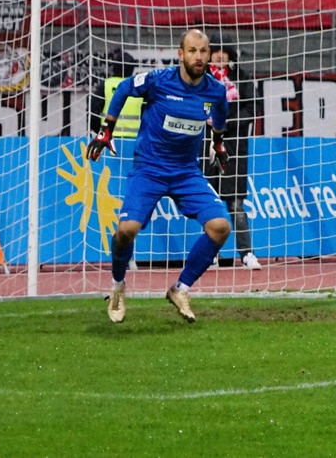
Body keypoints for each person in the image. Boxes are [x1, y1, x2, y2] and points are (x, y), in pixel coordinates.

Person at [88, 29, 232, 324]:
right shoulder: (159, 80)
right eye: (192, 51)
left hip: (186, 171)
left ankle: (181, 289)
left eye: (203, 51)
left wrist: (217, 144)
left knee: (220, 227)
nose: (198, 57)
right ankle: (117, 286)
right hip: (150, 168)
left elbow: (220, 115)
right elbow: (124, 88)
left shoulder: (215, 90)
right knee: (126, 231)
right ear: (181, 54)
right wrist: (106, 131)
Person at [206, 38, 261, 270]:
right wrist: (206, 120)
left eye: (224, 51)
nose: (220, 55)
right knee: (209, 203)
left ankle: (246, 253)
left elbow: (252, 108)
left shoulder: (242, 78)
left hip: (234, 147)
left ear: (231, 55)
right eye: (216, 51)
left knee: (235, 202)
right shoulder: (201, 78)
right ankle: (211, 254)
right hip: (207, 145)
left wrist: (225, 123)